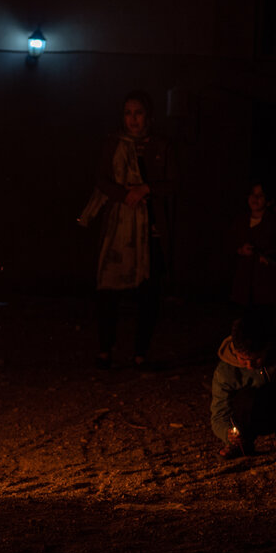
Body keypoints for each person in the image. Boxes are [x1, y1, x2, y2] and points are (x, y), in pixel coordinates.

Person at [78, 90, 175, 370]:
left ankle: (140, 352)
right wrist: (124, 195)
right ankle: (106, 349)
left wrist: (146, 189)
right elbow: (102, 180)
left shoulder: (161, 146)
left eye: (138, 113)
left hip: (150, 230)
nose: (133, 119)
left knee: (148, 292)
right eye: (128, 113)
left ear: (149, 116)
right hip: (118, 228)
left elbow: (173, 183)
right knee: (109, 288)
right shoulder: (113, 144)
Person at [210, 314, 276, 459]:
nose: (249, 366)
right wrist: (227, 433)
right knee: (246, 397)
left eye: (256, 359)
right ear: (235, 351)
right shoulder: (225, 371)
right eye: (243, 359)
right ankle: (241, 444)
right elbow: (219, 413)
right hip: (248, 417)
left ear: (267, 347)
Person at [229, 181, 276, 332]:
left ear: (268, 201)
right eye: (252, 194)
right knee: (243, 318)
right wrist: (241, 250)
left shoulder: (274, 222)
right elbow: (229, 243)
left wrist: (267, 257)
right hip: (243, 281)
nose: (255, 198)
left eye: (260, 195)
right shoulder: (240, 221)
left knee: (262, 319)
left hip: (264, 282)